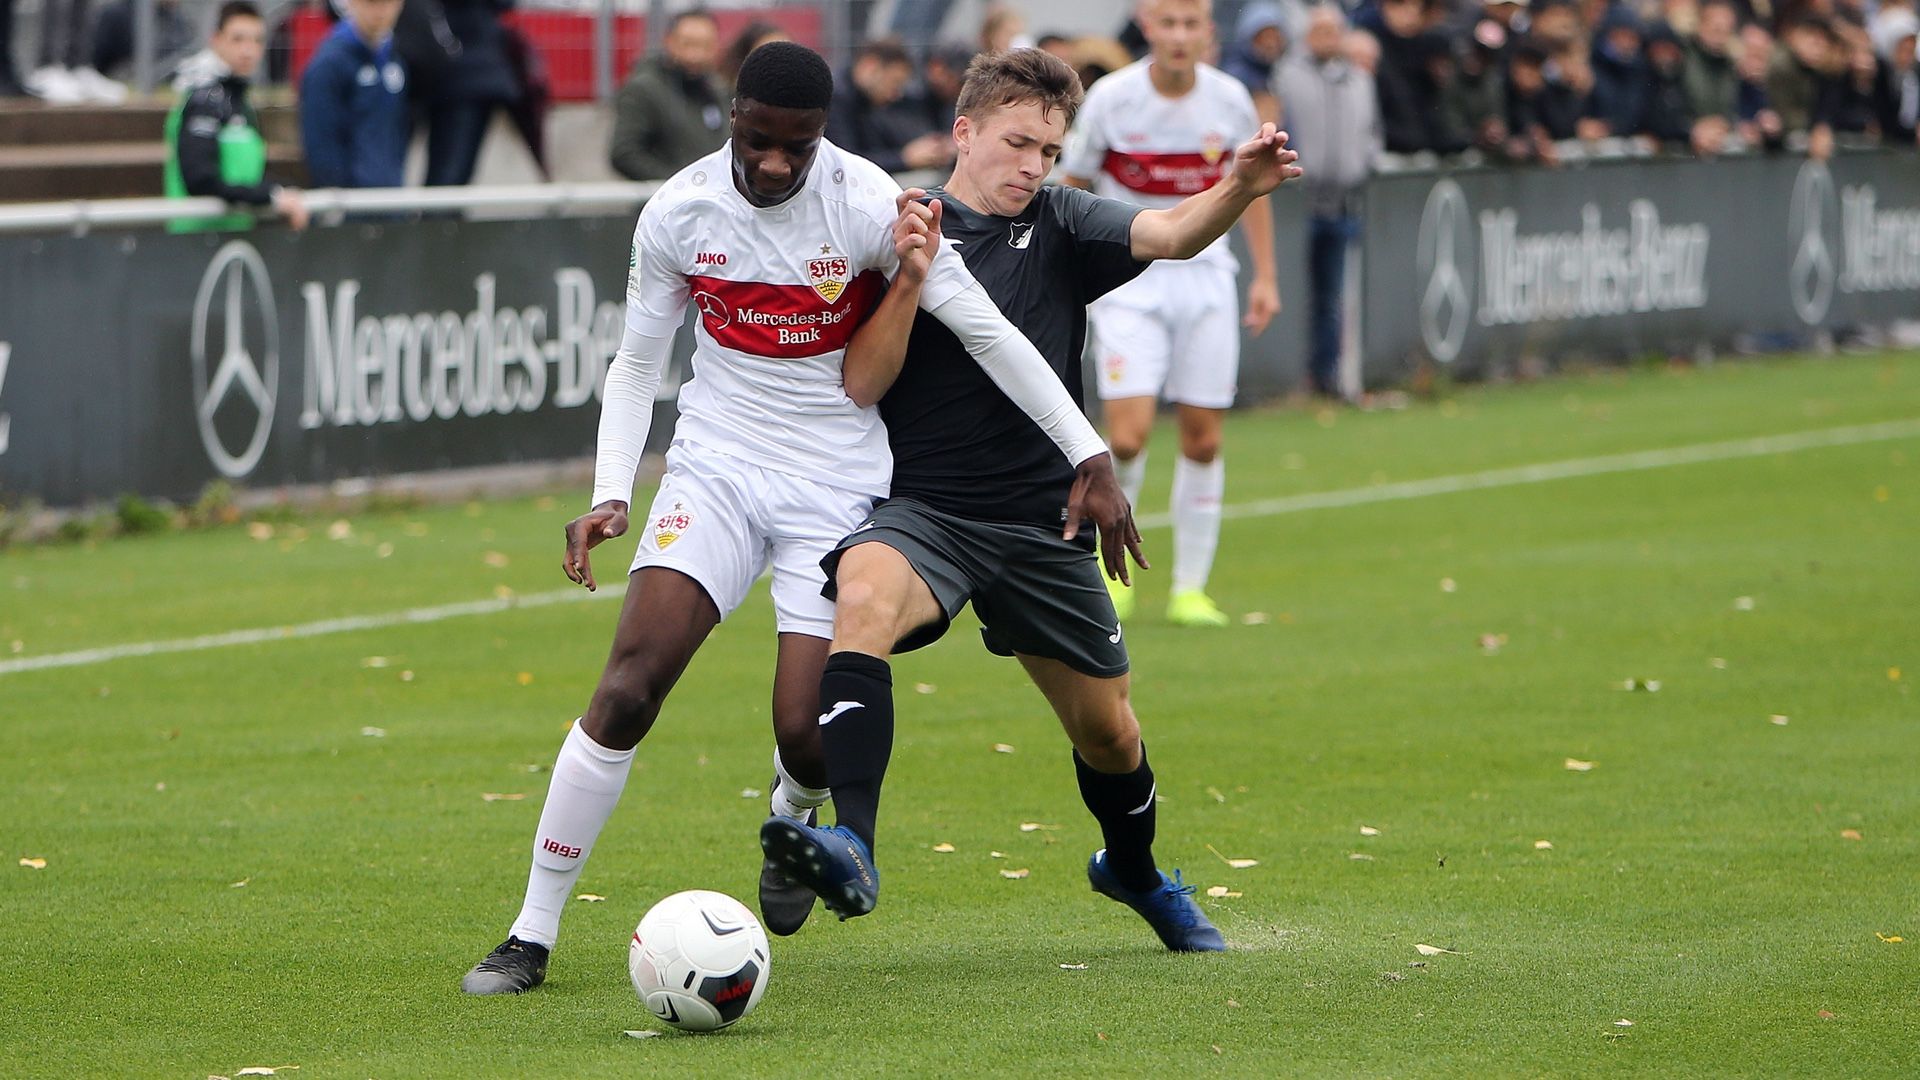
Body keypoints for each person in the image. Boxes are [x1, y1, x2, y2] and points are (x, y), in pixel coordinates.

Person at [459, 41, 1133, 995]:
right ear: (732, 117)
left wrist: (1088, 452)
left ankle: (791, 805)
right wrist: (612, 489)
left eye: (799, 145)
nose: (776, 163)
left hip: (837, 483)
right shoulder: (679, 211)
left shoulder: (870, 204)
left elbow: (989, 331)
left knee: (809, 731)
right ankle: (531, 930)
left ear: (824, 136)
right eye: (760, 141)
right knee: (630, 684)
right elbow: (638, 362)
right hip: (718, 470)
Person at [757, 46, 1300, 953]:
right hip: (928, 515)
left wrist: (1240, 187)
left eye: (1048, 151)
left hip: (1045, 525)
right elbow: (864, 378)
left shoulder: (1062, 220)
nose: (1032, 168)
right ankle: (850, 840)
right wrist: (911, 281)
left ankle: (1133, 868)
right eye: (1017, 145)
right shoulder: (898, 229)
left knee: (1110, 732)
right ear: (963, 132)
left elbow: (1168, 236)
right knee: (861, 597)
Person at [1059, 0, 1281, 629]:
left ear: (1208, 32)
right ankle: (1112, 574)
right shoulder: (1112, 99)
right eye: (1168, 24)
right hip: (1130, 282)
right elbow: (1072, 187)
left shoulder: (1232, 99)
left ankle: (1190, 589)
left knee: (1203, 439)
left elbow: (1253, 189)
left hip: (1208, 279)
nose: (1180, 37)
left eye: (1191, 25)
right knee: (1126, 435)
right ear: (1148, 29)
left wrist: (1264, 275)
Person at [1276, 5, 1376, 400]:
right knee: (1290, 290)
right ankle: (1289, 376)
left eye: (1332, 31)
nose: (1326, 38)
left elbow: (1372, 131)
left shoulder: (1358, 79)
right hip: (1297, 197)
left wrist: (1364, 161)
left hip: (1344, 200)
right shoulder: (1287, 76)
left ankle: (1327, 374)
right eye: (1319, 30)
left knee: (1333, 295)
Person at [166, 1, 308, 234]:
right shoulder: (203, 99)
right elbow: (200, 179)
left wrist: (280, 189)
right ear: (216, 40)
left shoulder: (239, 100)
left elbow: (249, 175)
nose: (248, 50)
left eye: (257, 40)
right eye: (238, 39)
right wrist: (270, 196)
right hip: (196, 242)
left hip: (234, 237)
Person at [300, 0, 409, 189]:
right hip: (350, 202)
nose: (381, 10)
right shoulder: (329, 65)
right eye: (371, 2)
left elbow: (396, 132)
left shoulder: (395, 59)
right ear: (351, 3)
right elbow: (320, 141)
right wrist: (337, 196)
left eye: (389, 2)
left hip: (390, 195)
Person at [608, 8, 726, 181]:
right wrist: (680, 184)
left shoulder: (717, 91)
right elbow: (624, 153)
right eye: (688, 44)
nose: (696, 55)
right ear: (669, 41)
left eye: (705, 45)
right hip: (666, 202)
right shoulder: (644, 89)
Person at [827, 38, 953, 173]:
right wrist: (904, 158)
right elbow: (846, 164)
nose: (896, 94)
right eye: (894, 83)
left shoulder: (865, 100)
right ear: (871, 66)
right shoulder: (836, 100)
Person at [1221, 1, 1288, 123]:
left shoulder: (1276, 73)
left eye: (1275, 37)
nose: (1270, 44)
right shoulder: (1236, 76)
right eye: (1264, 36)